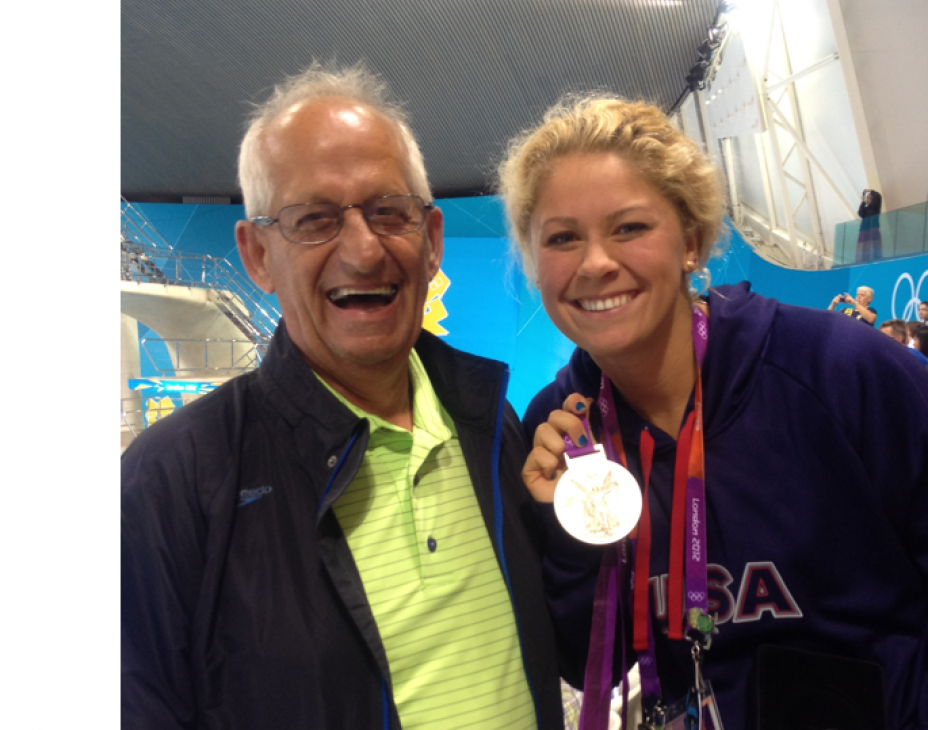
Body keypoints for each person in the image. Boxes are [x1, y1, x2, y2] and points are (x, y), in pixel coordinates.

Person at [122, 63, 562, 730]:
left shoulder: (491, 424)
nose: (362, 251)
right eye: (315, 219)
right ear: (258, 254)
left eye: (389, 212)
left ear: (432, 238)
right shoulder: (171, 482)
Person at [497, 94, 928, 729]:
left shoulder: (836, 368)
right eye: (562, 239)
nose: (595, 263)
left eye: (629, 227)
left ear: (691, 240)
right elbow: (587, 661)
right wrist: (570, 531)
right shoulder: (562, 430)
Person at [856, 188, 882, 262]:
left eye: (871, 196)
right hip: (864, 230)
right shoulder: (866, 208)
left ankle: (875, 261)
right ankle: (862, 261)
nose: (870, 197)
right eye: (869, 197)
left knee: (873, 247)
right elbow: (860, 213)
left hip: (873, 229)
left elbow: (878, 196)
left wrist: (869, 191)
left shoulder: (876, 207)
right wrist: (863, 202)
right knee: (862, 248)